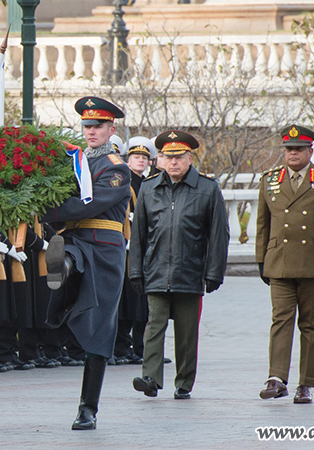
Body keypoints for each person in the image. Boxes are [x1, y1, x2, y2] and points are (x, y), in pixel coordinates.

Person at [43, 96, 131, 430]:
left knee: (99, 330)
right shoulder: (74, 162)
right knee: (67, 255)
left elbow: (88, 205)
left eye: (97, 126)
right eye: (87, 126)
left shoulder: (116, 168)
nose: (91, 131)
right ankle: (63, 266)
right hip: (77, 241)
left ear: (111, 129)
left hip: (105, 251)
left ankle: (87, 408)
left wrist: (47, 212)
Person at [256, 125, 314, 404]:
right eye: (288, 149)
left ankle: (305, 384)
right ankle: (276, 378)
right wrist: (261, 259)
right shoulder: (270, 180)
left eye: (298, 149)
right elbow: (263, 223)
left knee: (310, 324)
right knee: (280, 320)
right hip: (280, 262)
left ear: (311, 151)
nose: (293, 153)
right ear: (283, 151)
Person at [130, 130, 229, 400]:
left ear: (189, 158)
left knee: (187, 334)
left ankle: (184, 382)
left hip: (190, 270)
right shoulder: (149, 189)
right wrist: (136, 270)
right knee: (154, 325)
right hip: (156, 269)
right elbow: (138, 234)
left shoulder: (207, 189)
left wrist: (214, 271)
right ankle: (150, 377)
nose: (173, 163)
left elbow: (219, 235)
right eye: (167, 157)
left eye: (179, 157)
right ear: (160, 159)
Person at [113, 137, 152, 366]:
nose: (140, 160)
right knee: (126, 302)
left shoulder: (147, 183)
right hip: (127, 246)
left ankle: (140, 348)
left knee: (141, 304)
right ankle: (121, 347)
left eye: (144, 157)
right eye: (136, 157)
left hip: (143, 248)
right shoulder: (123, 182)